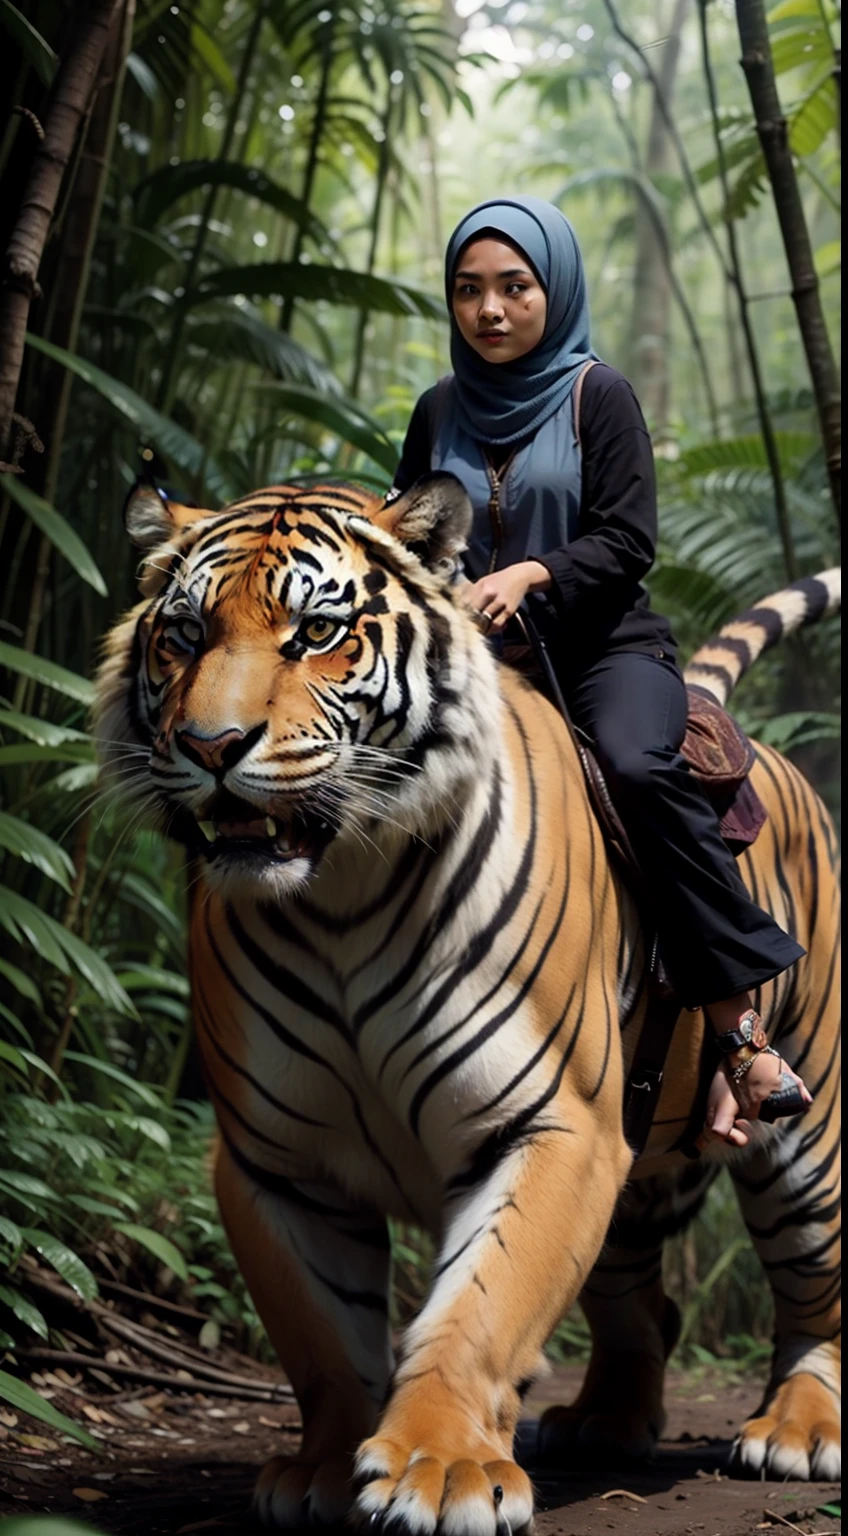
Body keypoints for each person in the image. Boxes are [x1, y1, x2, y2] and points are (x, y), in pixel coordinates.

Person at [391, 195, 812, 1148]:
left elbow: (628, 541)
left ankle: (737, 1036)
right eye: (469, 290)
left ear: (556, 290)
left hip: (607, 651)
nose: (490, 310)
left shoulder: (599, 394)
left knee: (633, 763)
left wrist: (534, 571)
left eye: (514, 287)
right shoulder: (437, 412)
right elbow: (410, 536)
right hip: (480, 662)